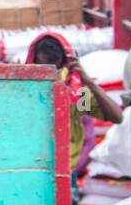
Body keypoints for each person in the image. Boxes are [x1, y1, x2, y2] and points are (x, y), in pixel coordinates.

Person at [27, 32, 124, 177]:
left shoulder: (76, 95)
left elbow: (116, 117)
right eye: (45, 69)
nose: (51, 76)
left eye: (56, 69)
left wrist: (88, 81)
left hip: (64, 171)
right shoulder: (24, 92)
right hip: (29, 169)